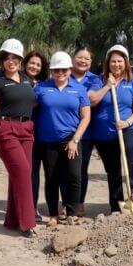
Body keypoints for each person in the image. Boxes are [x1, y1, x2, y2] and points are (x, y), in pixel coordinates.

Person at [0, 39, 37, 236]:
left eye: (15, 58)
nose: (10, 61)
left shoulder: (27, 79)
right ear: (2, 60)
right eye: (6, 58)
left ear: (21, 60)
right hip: (5, 129)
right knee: (22, 171)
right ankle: (28, 223)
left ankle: (13, 220)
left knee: (20, 174)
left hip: (26, 130)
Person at [33, 52, 90, 226]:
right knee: (52, 177)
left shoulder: (78, 89)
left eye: (64, 70)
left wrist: (75, 140)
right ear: (51, 71)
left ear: (70, 70)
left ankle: (72, 212)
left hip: (71, 139)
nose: (60, 73)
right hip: (48, 141)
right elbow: (28, 106)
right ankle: (53, 214)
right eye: (56, 70)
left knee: (74, 176)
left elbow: (86, 117)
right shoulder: (41, 88)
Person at [86, 45, 133, 213]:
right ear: (108, 63)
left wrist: (127, 122)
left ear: (125, 63)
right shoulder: (98, 81)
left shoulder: (132, 83)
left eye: (120, 61)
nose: (117, 64)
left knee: (131, 150)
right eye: (113, 61)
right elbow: (91, 101)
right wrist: (107, 86)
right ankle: (116, 205)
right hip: (104, 133)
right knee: (113, 170)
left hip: (128, 127)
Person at [71, 46, 103, 206]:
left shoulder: (95, 80)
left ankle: (79, 203)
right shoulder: (64, 75)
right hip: (64, 130)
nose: (83, 61)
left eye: (87, 58)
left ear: (91, 62)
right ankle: (66, 203)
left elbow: (92, 100)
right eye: (80, 57)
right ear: (73, 58)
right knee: (64, 170)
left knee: (80, 169)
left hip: (86, 133)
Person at [23, 51, 48, 221]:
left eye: (38, 65)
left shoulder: (45, 85)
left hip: (43, 134)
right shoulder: (17, 82)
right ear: (25, 64)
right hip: (24, 133)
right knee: (29, 172)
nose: (34, 67)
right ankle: (29, 208)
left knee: (43, 173)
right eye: (32, 63)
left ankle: (36, 206)